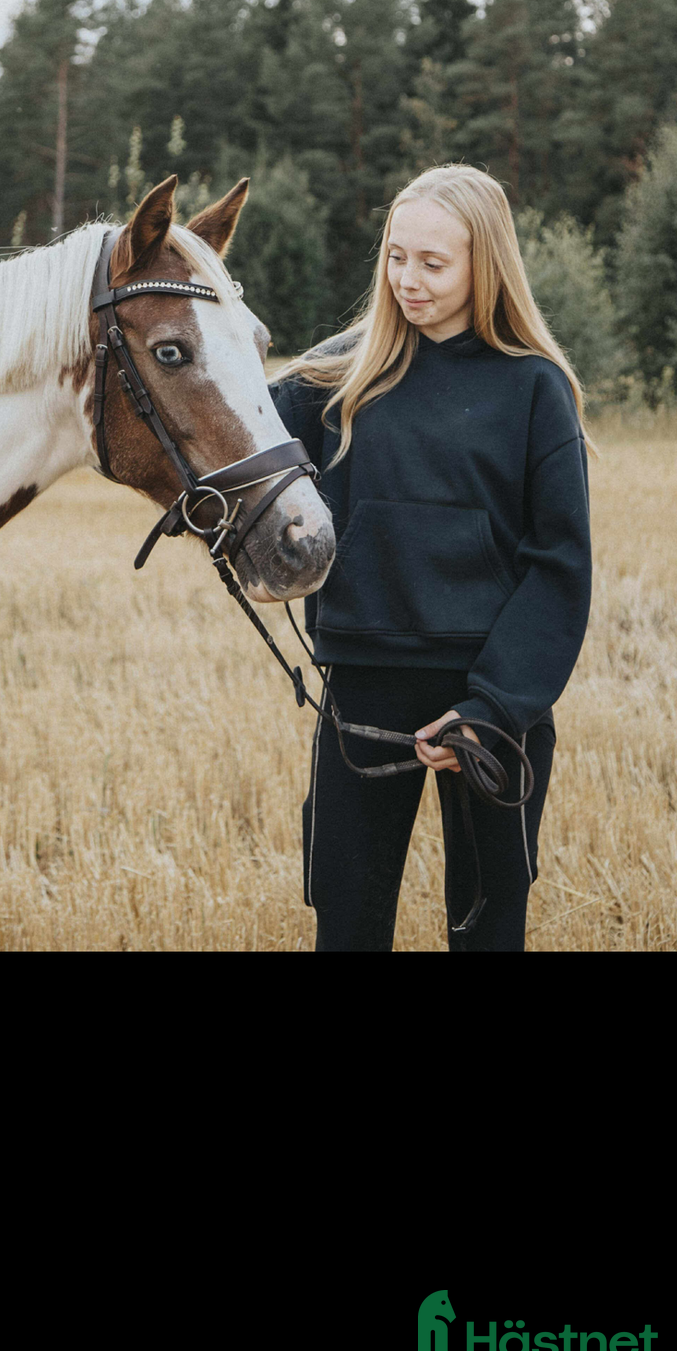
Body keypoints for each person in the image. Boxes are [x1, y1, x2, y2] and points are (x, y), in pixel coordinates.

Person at [267, 163, 592, 954]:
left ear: (486, 264)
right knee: (345, 917)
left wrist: (492, 707)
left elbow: (558, 566)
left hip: (491, 699)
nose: (407, 279)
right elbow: (225, 440)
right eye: (395, 255)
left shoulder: (535, 388)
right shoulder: (332, 375)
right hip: (363, 685)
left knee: (487, 924)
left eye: (433, 263)